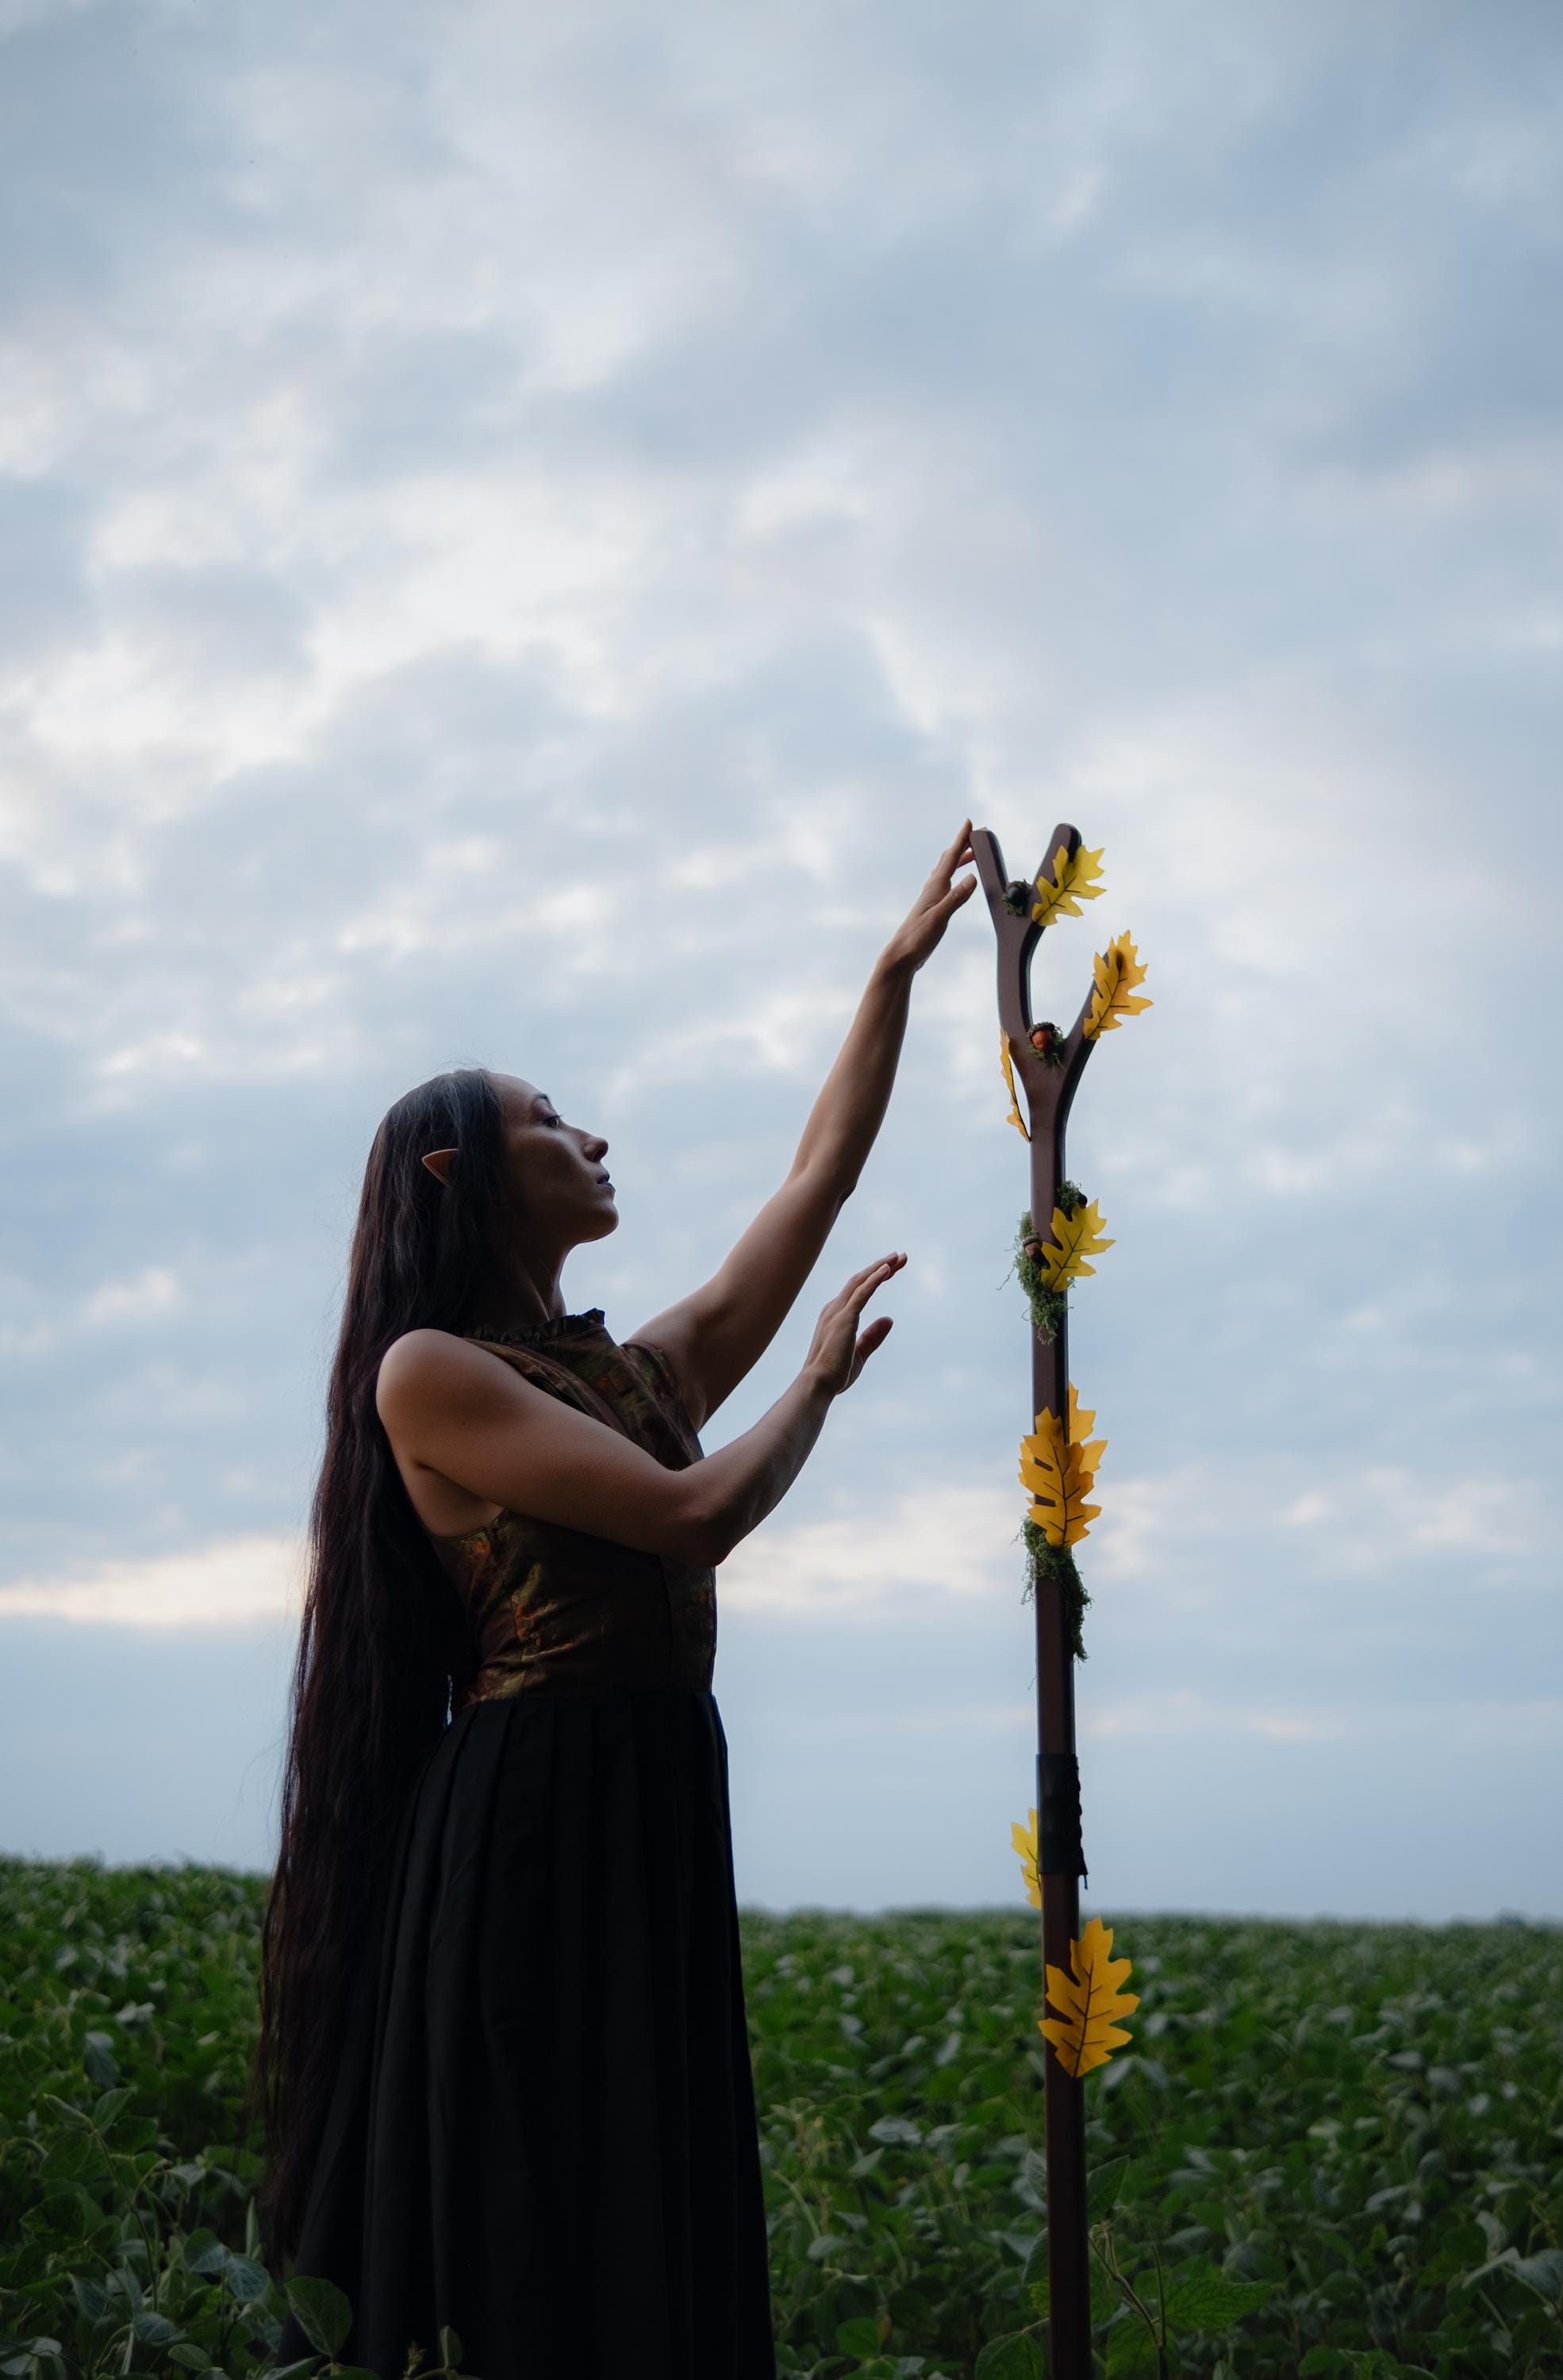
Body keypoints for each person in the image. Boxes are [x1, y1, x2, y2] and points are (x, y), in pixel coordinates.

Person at [252, 823, 978, 2379]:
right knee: (546, 2208)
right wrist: (815, 1391)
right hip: (535, 1817)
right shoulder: (431, 1372)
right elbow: (688, 1519)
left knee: (646, 2193)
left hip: (646, 1789)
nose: (591, 1137)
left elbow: (815, 1178)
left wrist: (889, 976)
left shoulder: (628, 1374)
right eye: (549, 1119)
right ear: (459, 1172)